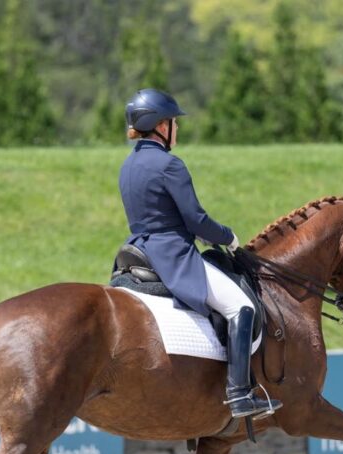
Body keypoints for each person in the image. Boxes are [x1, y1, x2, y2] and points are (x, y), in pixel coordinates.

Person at [118, 88, 281, 420]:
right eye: (174, 122)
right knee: (241, 306)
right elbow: (195, 220)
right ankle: (239, 395)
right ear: (161, 126)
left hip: (138, 248)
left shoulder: (128, 165)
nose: (177, 129)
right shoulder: (169, 164)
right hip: (172, 254)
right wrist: (229, 238)